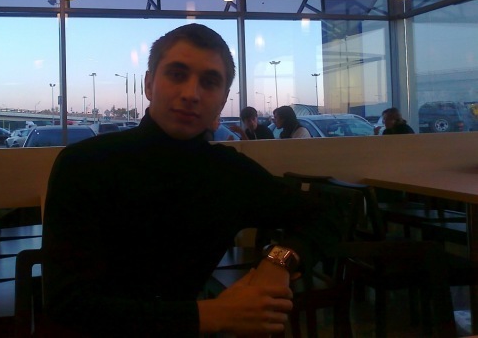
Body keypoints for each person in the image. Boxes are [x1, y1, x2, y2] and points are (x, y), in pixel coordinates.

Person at [43, 23, 340, 337]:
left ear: (223, 100)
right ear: (148, 84)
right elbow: (68, 307)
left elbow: (327, 214)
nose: (191, 94)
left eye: (209, 82)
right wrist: (213, 315)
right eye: (177, 74)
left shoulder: (228, 173)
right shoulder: (84, 165)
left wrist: (279, 261)